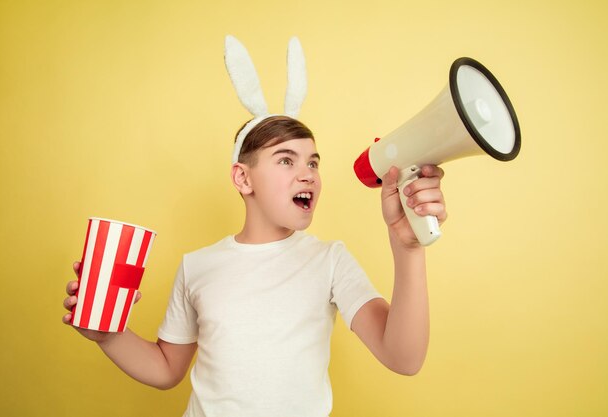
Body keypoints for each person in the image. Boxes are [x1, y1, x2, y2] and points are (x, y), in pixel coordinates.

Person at [62, 37, 447, 417]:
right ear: (243, 179)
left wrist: (408, 248)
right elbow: (166, 368)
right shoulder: (197, 266)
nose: (307, 175)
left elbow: (404, 357)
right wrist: (109, 335)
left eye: (313, 162)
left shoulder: (330, 261)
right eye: (285, 160)